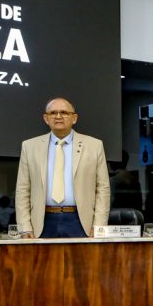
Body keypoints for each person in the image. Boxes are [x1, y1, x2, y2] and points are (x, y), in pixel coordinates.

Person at [15, 97, 111, 238]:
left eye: (64, 112)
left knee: (83, 261)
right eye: (53, 113)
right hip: (41, 223)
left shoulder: (94, 145)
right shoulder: (30, 146)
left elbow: (103, 188)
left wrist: (99, 227)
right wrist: (24, 227)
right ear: (46, 118)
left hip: (81, 222)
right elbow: (22, 190)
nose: (58, 116)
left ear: (74, 118)